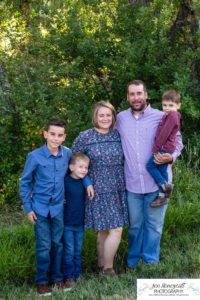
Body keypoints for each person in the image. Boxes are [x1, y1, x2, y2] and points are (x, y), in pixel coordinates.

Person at [19, 119, 93, 296]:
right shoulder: (34, 156)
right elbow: (25, 183)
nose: (56, 138)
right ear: (45, 134)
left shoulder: (67, 154)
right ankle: (42, 281)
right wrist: (28, 208)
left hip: (59, 209)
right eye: (52, 134)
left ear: (64, 137)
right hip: (40, 209)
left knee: (58, 244)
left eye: (60, 135)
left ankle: (57, 278)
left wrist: (87, 182)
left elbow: (79, 168)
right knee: (44, 246)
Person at [116, 80, 183, 268]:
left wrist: (171, 157)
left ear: (146, 95)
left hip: (157, 184)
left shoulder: (163, 116)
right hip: (132, 184)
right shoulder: (120, 119)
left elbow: (178, 142)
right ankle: (133, 261)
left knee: (154, 226)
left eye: (139, 93)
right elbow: (108, 136)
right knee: (135, 226)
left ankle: (150, 261)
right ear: (128, 97)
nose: (136, 98)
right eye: (132, 94)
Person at [72, 101, 128, 275]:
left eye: (108, 115)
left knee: (107, 229)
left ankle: (101, 265)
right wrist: (86, 180)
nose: (105, 118)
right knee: (114, 229)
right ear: (95, 117)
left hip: (118, 187)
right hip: (97, 189)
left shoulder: (119, 134)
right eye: (101, 115)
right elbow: (73, 162)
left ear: (113, 117)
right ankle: (108, 268)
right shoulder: (85, 137)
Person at [146, 89, 181, 207]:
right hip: (167, 147)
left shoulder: (172, 116)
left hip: (164, 148)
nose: (167, 108)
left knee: (150, 166)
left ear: (178, 105)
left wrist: (155, 149)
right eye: (164, 105)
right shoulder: (168, 115)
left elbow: (164, 134)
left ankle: (165, 186)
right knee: (161, 170)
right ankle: (162, 196)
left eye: (171, 105)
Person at [62, 152, 91, 287]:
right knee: (69, 251)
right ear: (71, 167)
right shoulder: (65, 181)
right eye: (81, 167)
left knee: (77, 251)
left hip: (80, 223)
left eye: (86, 167)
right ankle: (68, 276)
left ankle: (77, 274)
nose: (84, 170)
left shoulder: (84, 183)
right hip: (67, 223)